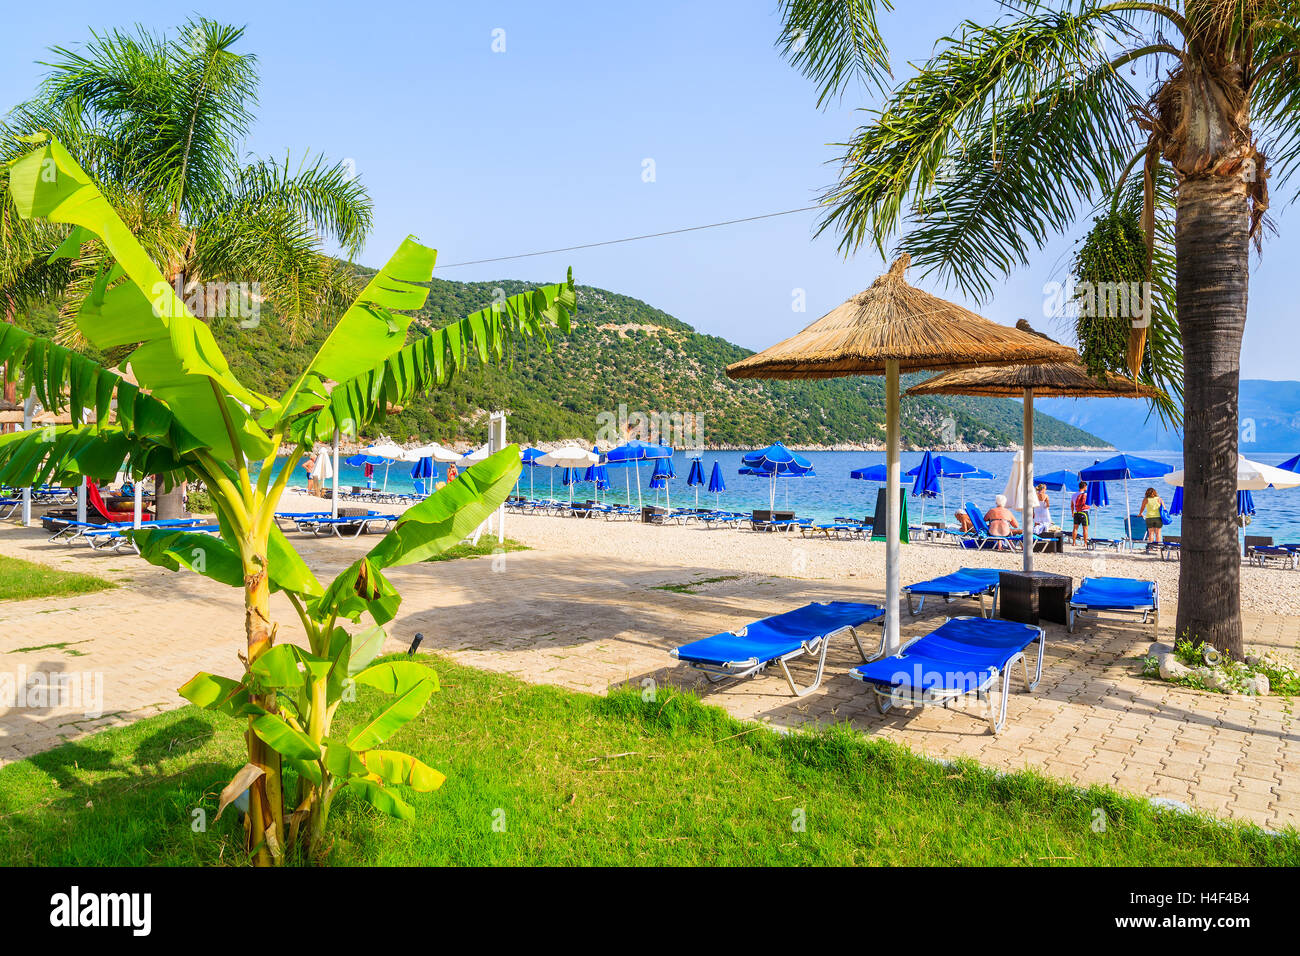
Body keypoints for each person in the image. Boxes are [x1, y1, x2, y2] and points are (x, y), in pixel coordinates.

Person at [1071, 481, 1090, 547]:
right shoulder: (1086, 495)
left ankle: (1073, 542)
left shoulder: (1074, 495)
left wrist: (1072, 513)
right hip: (1084, 512)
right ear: (1084, 486)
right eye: (1086, 486)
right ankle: (1085, 543)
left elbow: (1072, 505)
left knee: (1075, 528)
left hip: (1076, 512)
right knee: (1085, 529)